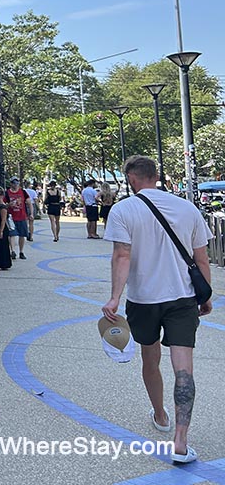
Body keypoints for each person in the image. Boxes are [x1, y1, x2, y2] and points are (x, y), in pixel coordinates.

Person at [101, 155, 213, 465]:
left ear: (131, 180)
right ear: (155, 175)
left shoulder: (123, 210)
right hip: (182, 299)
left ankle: (161, 414)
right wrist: (205, 294)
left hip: (143, 300)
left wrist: (114, 298)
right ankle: (180, 439)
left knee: (150, 359)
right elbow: (201, 258)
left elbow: (122, 256)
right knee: (183, 368)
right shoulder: (187, 209)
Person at [5, 177, 29, 259]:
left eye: (17, 183)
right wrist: (9, 205)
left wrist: (31, 214)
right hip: (11, 217)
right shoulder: (7, 193)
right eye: (13, 183)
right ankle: (13, 251)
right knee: (12, 234)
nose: (15, 185)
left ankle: (21, 251)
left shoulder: (23, 192)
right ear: (11, 184)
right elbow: (3, 204)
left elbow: (29, 202)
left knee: (22, 235)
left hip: (22, 216)